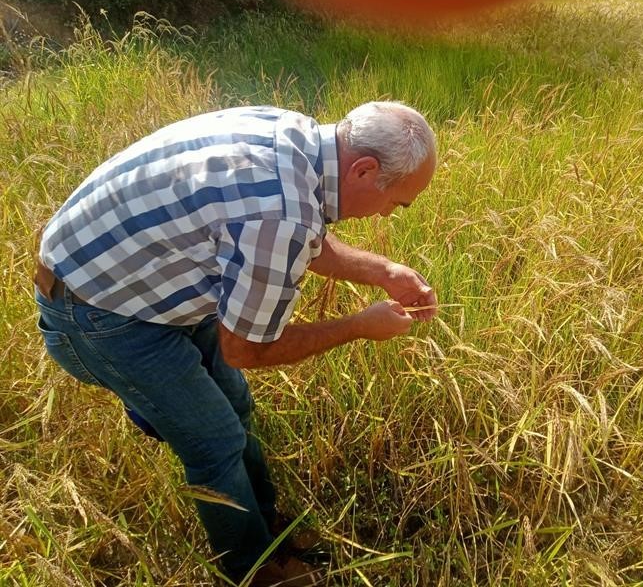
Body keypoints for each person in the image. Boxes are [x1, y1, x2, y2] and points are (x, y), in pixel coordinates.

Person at [34, 101, 438, 586]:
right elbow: (246, 349)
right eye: (397, 202)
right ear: (364, 169)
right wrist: (358, 325)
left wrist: (384, 272)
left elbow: (292, 231)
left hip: (136, 277)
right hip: (98, 314)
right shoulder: (282, 214)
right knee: (215, 441)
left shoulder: (296, 137)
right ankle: (252, 569)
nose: (388, 214)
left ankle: (264, 527)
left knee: (235, 405)